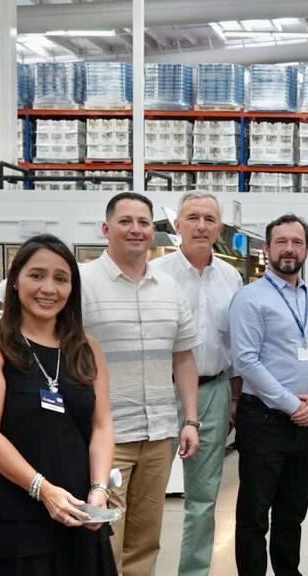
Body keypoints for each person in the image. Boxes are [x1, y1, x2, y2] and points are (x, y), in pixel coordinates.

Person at [0, 233, 117, 574]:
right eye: (37, 275)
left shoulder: (87, 348)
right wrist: (43, 490)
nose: (49, 288)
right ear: (15, 281)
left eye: (61, 279)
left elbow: (102, 425)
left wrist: (98, 489)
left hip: (78, 508)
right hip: (15, 512)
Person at [80, 192, 202, 576]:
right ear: (106, 229)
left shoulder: (169, 288)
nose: (136, 230)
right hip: (105, 437)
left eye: (143, 222)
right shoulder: (81, 283)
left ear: (154, 230)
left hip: (159, 434)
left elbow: (183, 357)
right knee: (104, 536)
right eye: (125, 221)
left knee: (145, 538)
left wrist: (191, 420)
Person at [230, 214, 308, 576]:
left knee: (292, 514)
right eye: (281, 242)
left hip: (307, 424)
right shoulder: (250, 298)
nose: (289, 249)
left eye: (297, 242)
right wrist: (293, 404)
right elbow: (246, 361)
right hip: (264, 421)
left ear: (306, 248)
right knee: (254, 516)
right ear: (267, 248)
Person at [150, 192, 243, 576]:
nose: (201, 226)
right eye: (193, 218)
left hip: (213, 392)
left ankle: (193, 572)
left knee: (203, 498)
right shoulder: (156, 274)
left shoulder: (231, 278)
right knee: (147, 496)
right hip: (160, 392)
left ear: (219, 228)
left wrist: (234, 398)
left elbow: (236, 343)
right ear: (178, 225)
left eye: (209, 219)